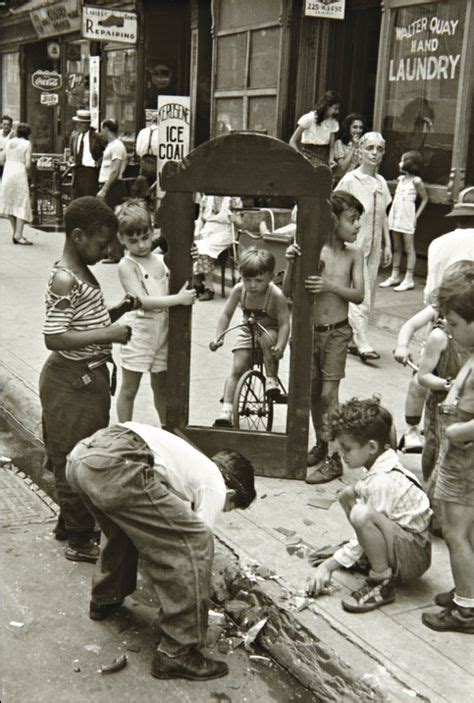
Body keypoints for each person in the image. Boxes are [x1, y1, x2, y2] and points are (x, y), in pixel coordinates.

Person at [65, 422, 256, 680]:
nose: (224, 509)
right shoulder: (215, 484)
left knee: (123, 529)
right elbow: (195, 542)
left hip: (83, 457)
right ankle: (177, 653)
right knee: (196, 541)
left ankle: (105, 598)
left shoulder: (187, 460)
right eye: (229, 507)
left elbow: (163, 521)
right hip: (117, 464)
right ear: (230, 492)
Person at [39, 197, 137, 563]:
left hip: (86, 380)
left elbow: (84, 324)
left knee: (78, 453)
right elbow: (54, 337)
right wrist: (109, 335)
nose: (107, 251)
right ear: (78, 236)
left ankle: (70, 523)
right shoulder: (65, 278)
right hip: (70, 382)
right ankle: (80, 539)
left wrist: (118, 311)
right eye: (101, 243)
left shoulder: (80, 273)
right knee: (73, 460)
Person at [307, 397, 432, 613]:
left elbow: (366, 521)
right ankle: (371, 557)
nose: (341, 454)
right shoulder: (378, 463)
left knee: (361, 514)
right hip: (400, 542)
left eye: (347, 449)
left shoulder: (383, 480)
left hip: (413, 557)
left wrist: (330, 565)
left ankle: (381, 581)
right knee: (347, 495)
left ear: (371, 447)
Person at [284, 192, 364, 482]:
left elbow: (359, 294)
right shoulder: (312, 250)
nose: (357, 226)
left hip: (337, 333)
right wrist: (292, 261)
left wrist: (330, 285)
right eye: (351, 220)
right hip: (309, 333)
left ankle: (334, 457)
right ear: (333, 221)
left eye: (358, 220)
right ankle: (322, 442)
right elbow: (288, 291)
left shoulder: (354, 255)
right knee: (312, 394)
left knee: (330, 395)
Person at [394, 187, 474, 453]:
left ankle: (413, 431)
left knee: (420, 379)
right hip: (458, 318)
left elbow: (429, 292)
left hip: (442, 316)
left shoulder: (438, 243)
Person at [422, 264, 474, 634]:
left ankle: (466, 611)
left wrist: (456, 430)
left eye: (454, 324)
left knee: (455, 533)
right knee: (466, 533)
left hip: (465, 458)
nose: (450, 332)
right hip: (462, 459)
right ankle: (466, 591)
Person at [115, 199, 196, 425]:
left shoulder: (160, 260)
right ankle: (124, 429)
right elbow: (139, 300)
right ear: (121, 239)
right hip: (140, 331)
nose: (141, 245)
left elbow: (182, 273)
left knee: (161, 387)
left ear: (153, 232)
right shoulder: (127, 264)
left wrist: (190, 254)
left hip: (162, 330)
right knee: (130, 387)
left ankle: (165, 429)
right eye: (133, 240)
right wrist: (178, 300)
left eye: (145, 237)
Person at [210, 248, 290, 427]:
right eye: (247, 280)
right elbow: (226, 314)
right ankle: (226, 410)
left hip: (270, 330)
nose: (252, 285)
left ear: (270, 277)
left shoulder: (276, 295)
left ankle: (271, 380)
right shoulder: (240, 290)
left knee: (267, 338)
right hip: (248, 330)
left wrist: (281, 347)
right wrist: (218, 337)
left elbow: (285, 323)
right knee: (238, 367)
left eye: (259, 280)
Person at [336, 132, 392, 361]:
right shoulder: (351, 180)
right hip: (356, 242)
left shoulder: (381, 183)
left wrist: (388, 244)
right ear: (360, 151)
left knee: (370, 290)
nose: (375, 153)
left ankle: (351, 337)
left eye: (379, 149)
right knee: (361, 289)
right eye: (370, 148)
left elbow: (383, 216)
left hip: (374, 244)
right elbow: (337, 207)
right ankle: (362, 341)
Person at [380, 151, 428, 292]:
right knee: (397, 247)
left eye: (402, 160)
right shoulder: (401, 179)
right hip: (397, 214)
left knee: (409, 247)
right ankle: (394, 276)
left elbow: (425, 199)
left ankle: (409, 279)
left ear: (410, 164)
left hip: (407, 215)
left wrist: (416, 216)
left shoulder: (417, 181)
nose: (399, 163)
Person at [193, 194, 242, 301]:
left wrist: (235, 219)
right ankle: (197, 283)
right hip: (207, 230)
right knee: (192, 245)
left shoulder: (233, 199)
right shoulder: (206, 197)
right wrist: (196, 233)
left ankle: (209, 288)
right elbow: (201, 219)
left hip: (225, 232)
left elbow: (240, 223)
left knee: (203, 248)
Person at [0, 122, 33, 245]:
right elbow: (28, 164)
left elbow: (1, 159)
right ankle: (19, 235)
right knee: (21, 202)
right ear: (28, 134)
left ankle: (15, 233)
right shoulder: (27, 144)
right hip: (19, 172)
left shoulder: (9, 142)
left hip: (8, 171)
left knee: (10, 202)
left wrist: (10, 162)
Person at [289, 90, 340, 168]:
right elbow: (292, 141)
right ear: (326, 106)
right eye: (335, 108)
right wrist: (300, 157)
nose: (337, 111)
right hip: (308, 155)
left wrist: (331, 160)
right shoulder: (309, 118)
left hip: (324, 157)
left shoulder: (333, 122)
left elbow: (331, 146)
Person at [69, 109, 105, 200]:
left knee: (89, 198)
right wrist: (71, 160)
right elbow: (72, 154)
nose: (78, 125)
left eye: (81, 123)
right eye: (77, 123)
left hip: (90, 172)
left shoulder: (97, 137)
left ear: (87, 124)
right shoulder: (74, 136)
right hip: (77, 171)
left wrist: (100, 161)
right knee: (76, 198)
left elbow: (108, 151)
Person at [133, 113, 158, 202]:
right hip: (156, 162)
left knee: (142, 185)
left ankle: (143, 203)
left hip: (144, 162)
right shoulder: (162, 132)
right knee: (156, 187)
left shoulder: (143, 132)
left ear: (151, 120)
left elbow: (138, 150)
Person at [334, 113, 365, 181]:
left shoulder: (364, 144)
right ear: (348, 128)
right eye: (355, 127)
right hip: (344, 181)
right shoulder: (339, 143)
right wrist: (354, 146)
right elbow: (342, 167)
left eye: (360, 128)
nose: (358, 131)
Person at [0, 113, 13, 178]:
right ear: (1, 125)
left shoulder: (13, 135)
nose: (6, 126)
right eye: (4, 124)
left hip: (8, 162)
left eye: (8, 124)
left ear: (11, 125)